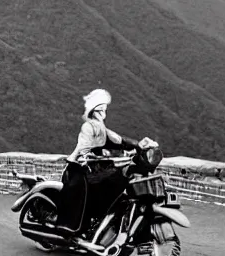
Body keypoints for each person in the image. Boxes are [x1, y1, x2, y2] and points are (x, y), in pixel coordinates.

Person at [54, 88, 157, 239]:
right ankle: (71, 228)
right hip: (80, 169)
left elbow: (119, 140)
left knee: (118, 182)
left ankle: (107, 223)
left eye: (104, 109)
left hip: (97, 168)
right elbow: (84, 147)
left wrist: (139, 145)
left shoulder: (102, 128)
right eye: (100, 109)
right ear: (93, 111)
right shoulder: (88, 127)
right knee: (83, 195)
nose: (103, 112)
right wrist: (88, 156)